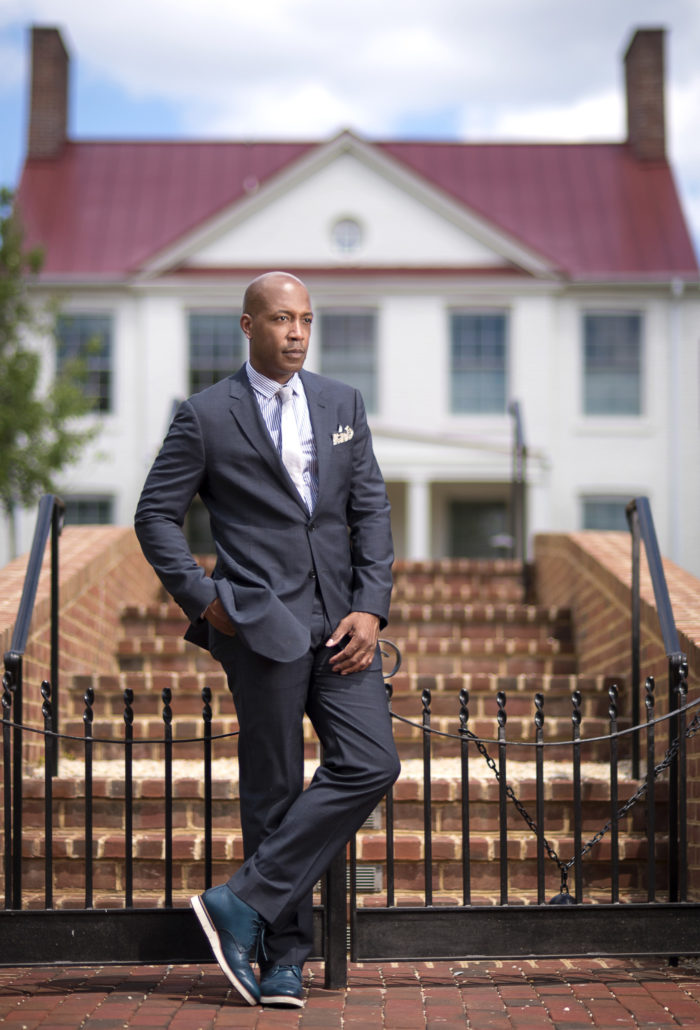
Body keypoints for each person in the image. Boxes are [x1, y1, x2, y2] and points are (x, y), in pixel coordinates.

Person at [134, 271, 400, 1008]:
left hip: (343, 622)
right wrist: (205, 598)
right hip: (257, 621)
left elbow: (369, 511)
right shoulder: (205, 414)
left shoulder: (342, 403)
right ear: (247, 325)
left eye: (307, 320)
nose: (297, 333)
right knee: (274, 792)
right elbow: (155, 515)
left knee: (373, 763)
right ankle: (285, 960)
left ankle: (238, 901)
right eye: (282, 319)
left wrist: (372, 607)